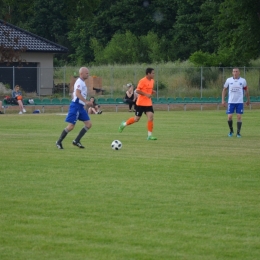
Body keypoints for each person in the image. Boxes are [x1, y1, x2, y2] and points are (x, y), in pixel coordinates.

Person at [56, 67, 94, 149]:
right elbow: (77, 93)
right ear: (81, 74)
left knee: (88, 124)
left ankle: (76, 141)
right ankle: (58, 142)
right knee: (71, 126)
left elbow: (75, 93)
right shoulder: (79, 82)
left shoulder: (82, 82)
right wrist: (86, 101)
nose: (88, 74)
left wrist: (84, 102)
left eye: (88, 73)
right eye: (86, 73)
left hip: (80, 107)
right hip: (75, 106)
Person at [118, 67, 157, 140]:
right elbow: (137, 90)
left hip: (148, 103)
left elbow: (147, 90)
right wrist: (146, 94)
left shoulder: (152, 81)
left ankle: (149, 136)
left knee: (151, 117)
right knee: (136, 119)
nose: (154, 74)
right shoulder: (142, 81)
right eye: (153, 73)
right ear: (148, 74)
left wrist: (152, 92)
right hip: (141, 103)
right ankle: (124, 124)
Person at [222, 67, 250, 138]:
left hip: (239, 102)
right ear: (232, 72)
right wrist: (223, 100)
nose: (235, 73)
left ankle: (238, 133)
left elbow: (246, 90)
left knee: (239, 116)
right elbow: (224, 90)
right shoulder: (229, 80)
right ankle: (231, 131)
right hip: (231, 102)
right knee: (230, 116)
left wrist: (248, 100)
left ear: (239, 72)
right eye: (234, 71)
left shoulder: (243, 81)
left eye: (236, 71)